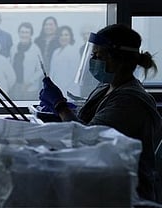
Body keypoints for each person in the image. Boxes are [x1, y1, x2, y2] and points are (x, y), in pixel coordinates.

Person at [39, 24, 161, 201]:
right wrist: (57, 113)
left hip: (126, 194)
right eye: (92, 55)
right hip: (102, 181)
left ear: (118, 60)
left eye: (98, 56)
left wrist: (60, 106)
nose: (93, 60)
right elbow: (85, 123)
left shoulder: (130, 101)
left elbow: (89, 141)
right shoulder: (106, 87)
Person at [10, 22, 44, 100]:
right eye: (22, 32)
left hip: (30, 88)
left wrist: (29, 83)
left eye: (27, 32)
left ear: (31, 34)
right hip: (16, 87)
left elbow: (40, 70)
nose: (24, 35)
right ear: (19, 33)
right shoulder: (14, 48)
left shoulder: (35, 49)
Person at [48, 25, 81, 96]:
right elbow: (52, 71)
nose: (63, 37)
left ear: (70, 37)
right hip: (56, 88)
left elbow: (74, 73)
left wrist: (62, 87)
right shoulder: (56, 52)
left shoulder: (73, 51)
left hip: (69, 89)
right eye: (61, 35)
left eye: (66, 35)